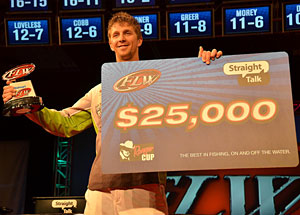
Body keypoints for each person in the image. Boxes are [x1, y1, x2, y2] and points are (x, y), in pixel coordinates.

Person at [2, 12, 222, 215]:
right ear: (110, 44)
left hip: (144, 187)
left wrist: (208, 67)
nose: (121, 38)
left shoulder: (164, 82)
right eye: (116, 35)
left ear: (139, 40)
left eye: (127, 33)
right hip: (100, 188)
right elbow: (65, 124)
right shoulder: (98, 92)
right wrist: (28, 104)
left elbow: (201, 102)